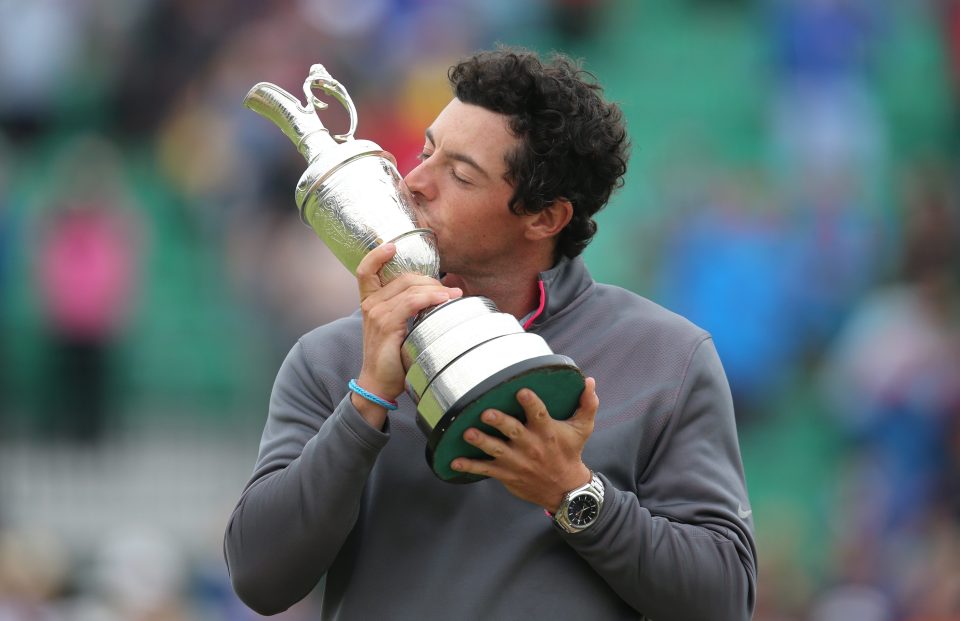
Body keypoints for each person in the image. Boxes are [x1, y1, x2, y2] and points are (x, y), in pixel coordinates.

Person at [224, 48, 757, 620]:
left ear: (545, 217)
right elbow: (259, 578)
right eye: (426, 151)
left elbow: (722, 600)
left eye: (459, 174)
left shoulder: (666, 358)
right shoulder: (332, 358)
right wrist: (366, 403)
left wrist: (570, 491)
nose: (414, 181)